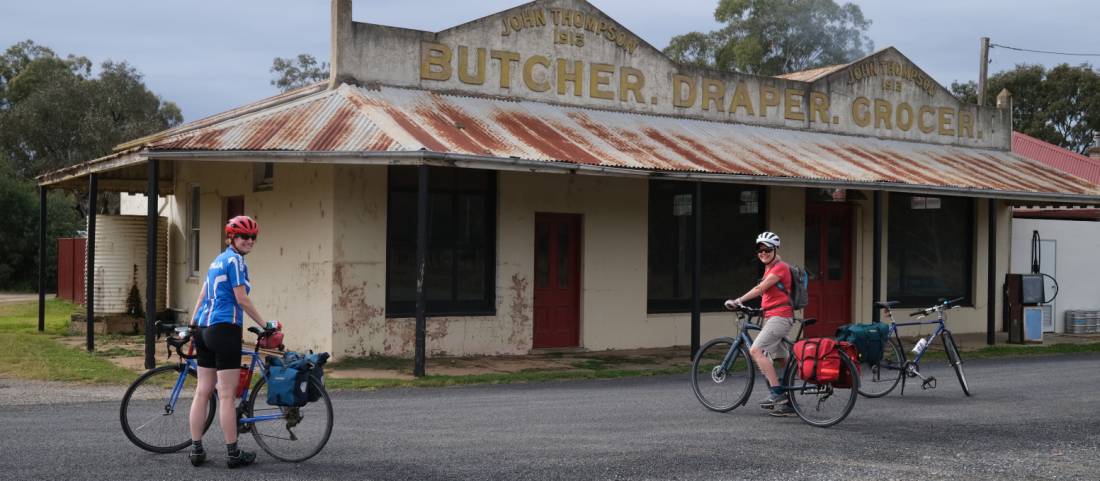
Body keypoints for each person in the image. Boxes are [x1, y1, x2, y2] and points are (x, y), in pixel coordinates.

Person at [187, 215, 268, 468]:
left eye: (253, 237)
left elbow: (202, 294)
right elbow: (241, 299)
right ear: (231, 238)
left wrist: (192, 324)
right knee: (225, 395)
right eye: (243, 236)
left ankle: (196, 450)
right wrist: (265, 326)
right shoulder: (235, 262)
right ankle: (233, 454)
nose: (249, 241)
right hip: (224, 329)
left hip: (203, 329)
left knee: (202, 391)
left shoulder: (216, 261)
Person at [725, 231, 797, 418]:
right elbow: (772, 295)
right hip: (774, 316)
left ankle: (777, 393)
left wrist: (738, 300)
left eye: (767, 249)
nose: (763, 252)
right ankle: (788, 403)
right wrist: (760, 309)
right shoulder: (770, 267)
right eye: (760, 249)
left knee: (756, 350)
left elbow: (760, 289)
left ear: (775, 250)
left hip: (780, 318)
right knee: (782, 357)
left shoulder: (779, 268)